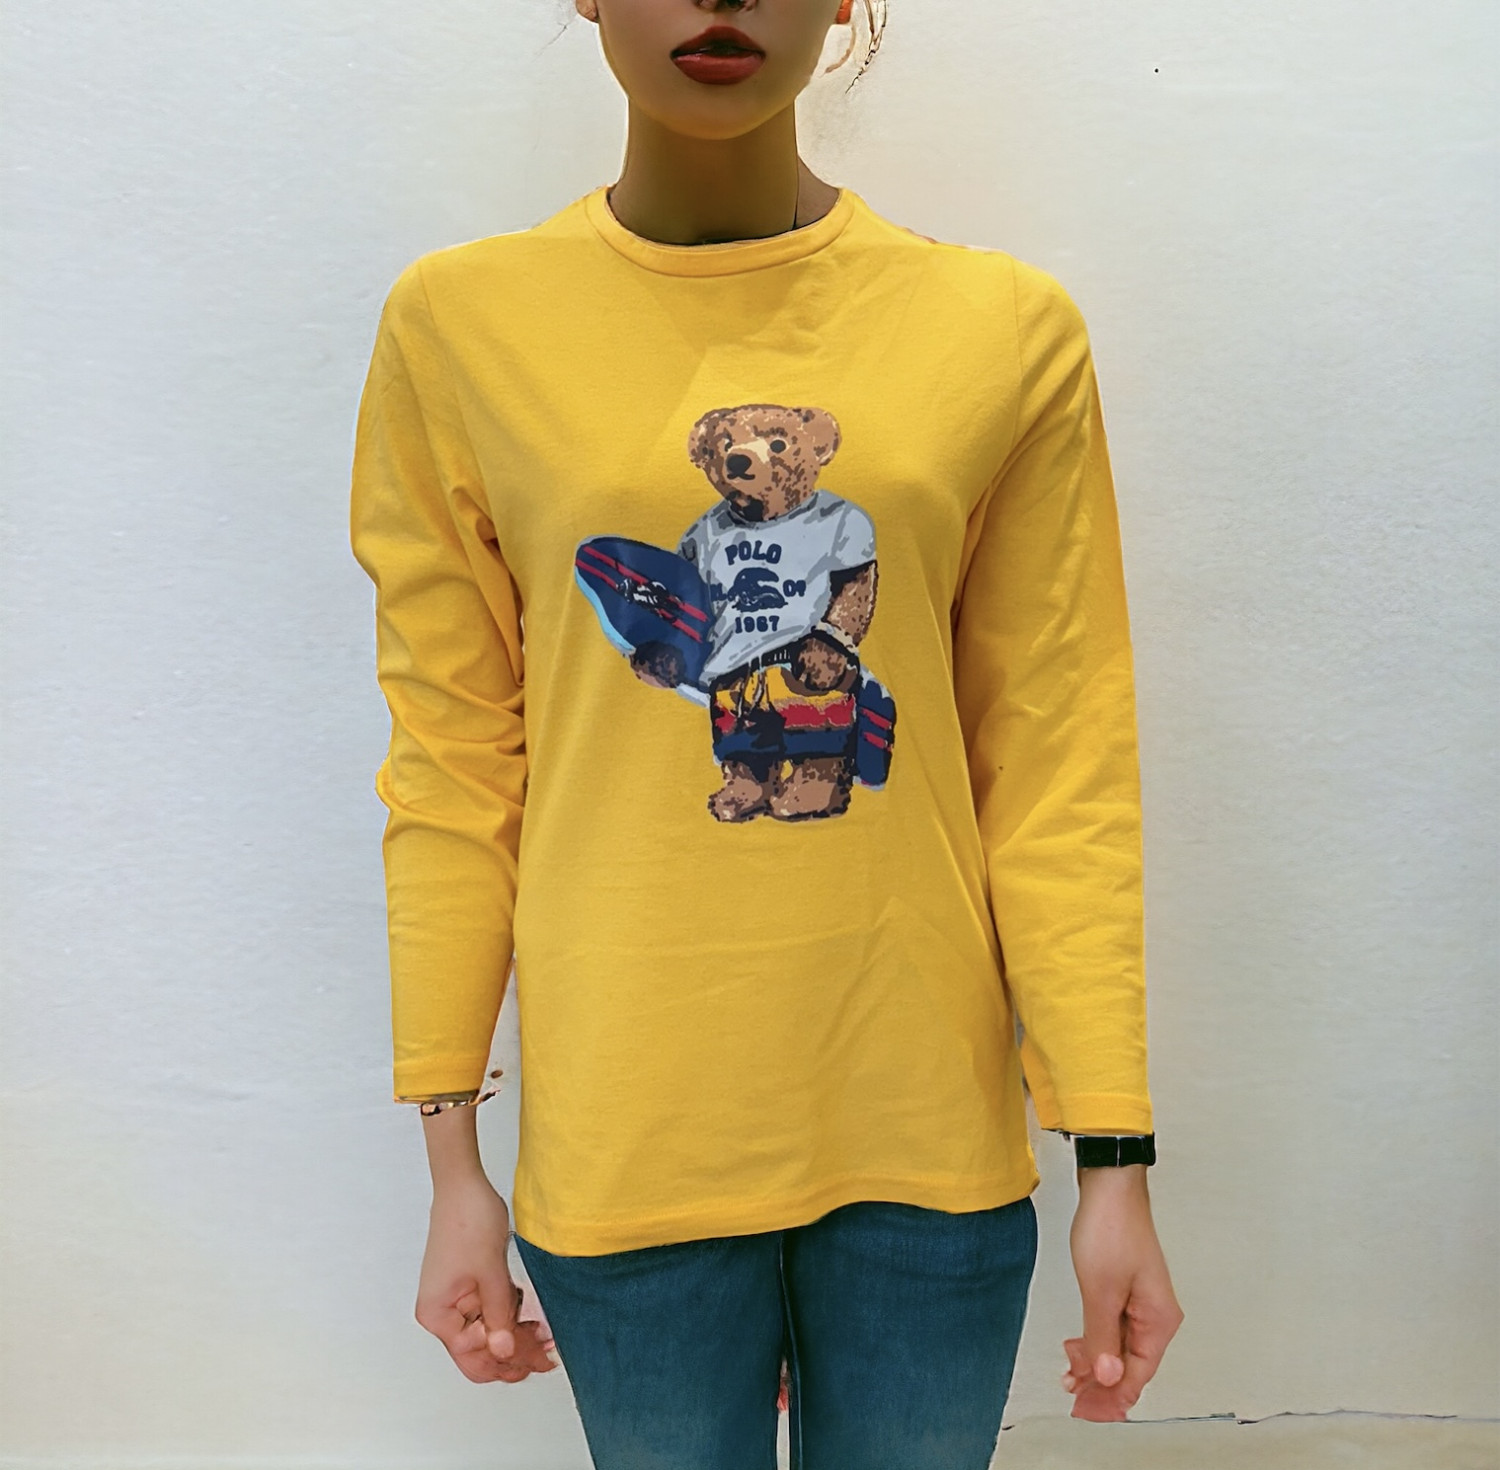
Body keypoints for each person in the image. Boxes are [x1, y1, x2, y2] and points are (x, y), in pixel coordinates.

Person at [349, 0, 1185, 1464]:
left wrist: (1112, 1153)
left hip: (925, 1131)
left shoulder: (1001, 327)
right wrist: (449, 1156)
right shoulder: (460, 323)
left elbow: (1058, 762)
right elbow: (454, 765)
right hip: (626, 1136)